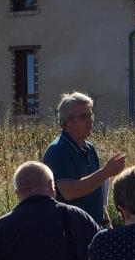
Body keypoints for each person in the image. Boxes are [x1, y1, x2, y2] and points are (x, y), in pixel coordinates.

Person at [41, 92, 127, 226]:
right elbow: (68, 192)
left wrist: (105, 223)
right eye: (83, 116)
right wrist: (105, 172)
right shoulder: (58, 150)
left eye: (90, 115)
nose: (90, 120)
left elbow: (95, 190)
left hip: (93, 229)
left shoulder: (89, 148)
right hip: (70, 232)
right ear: (67, 122)